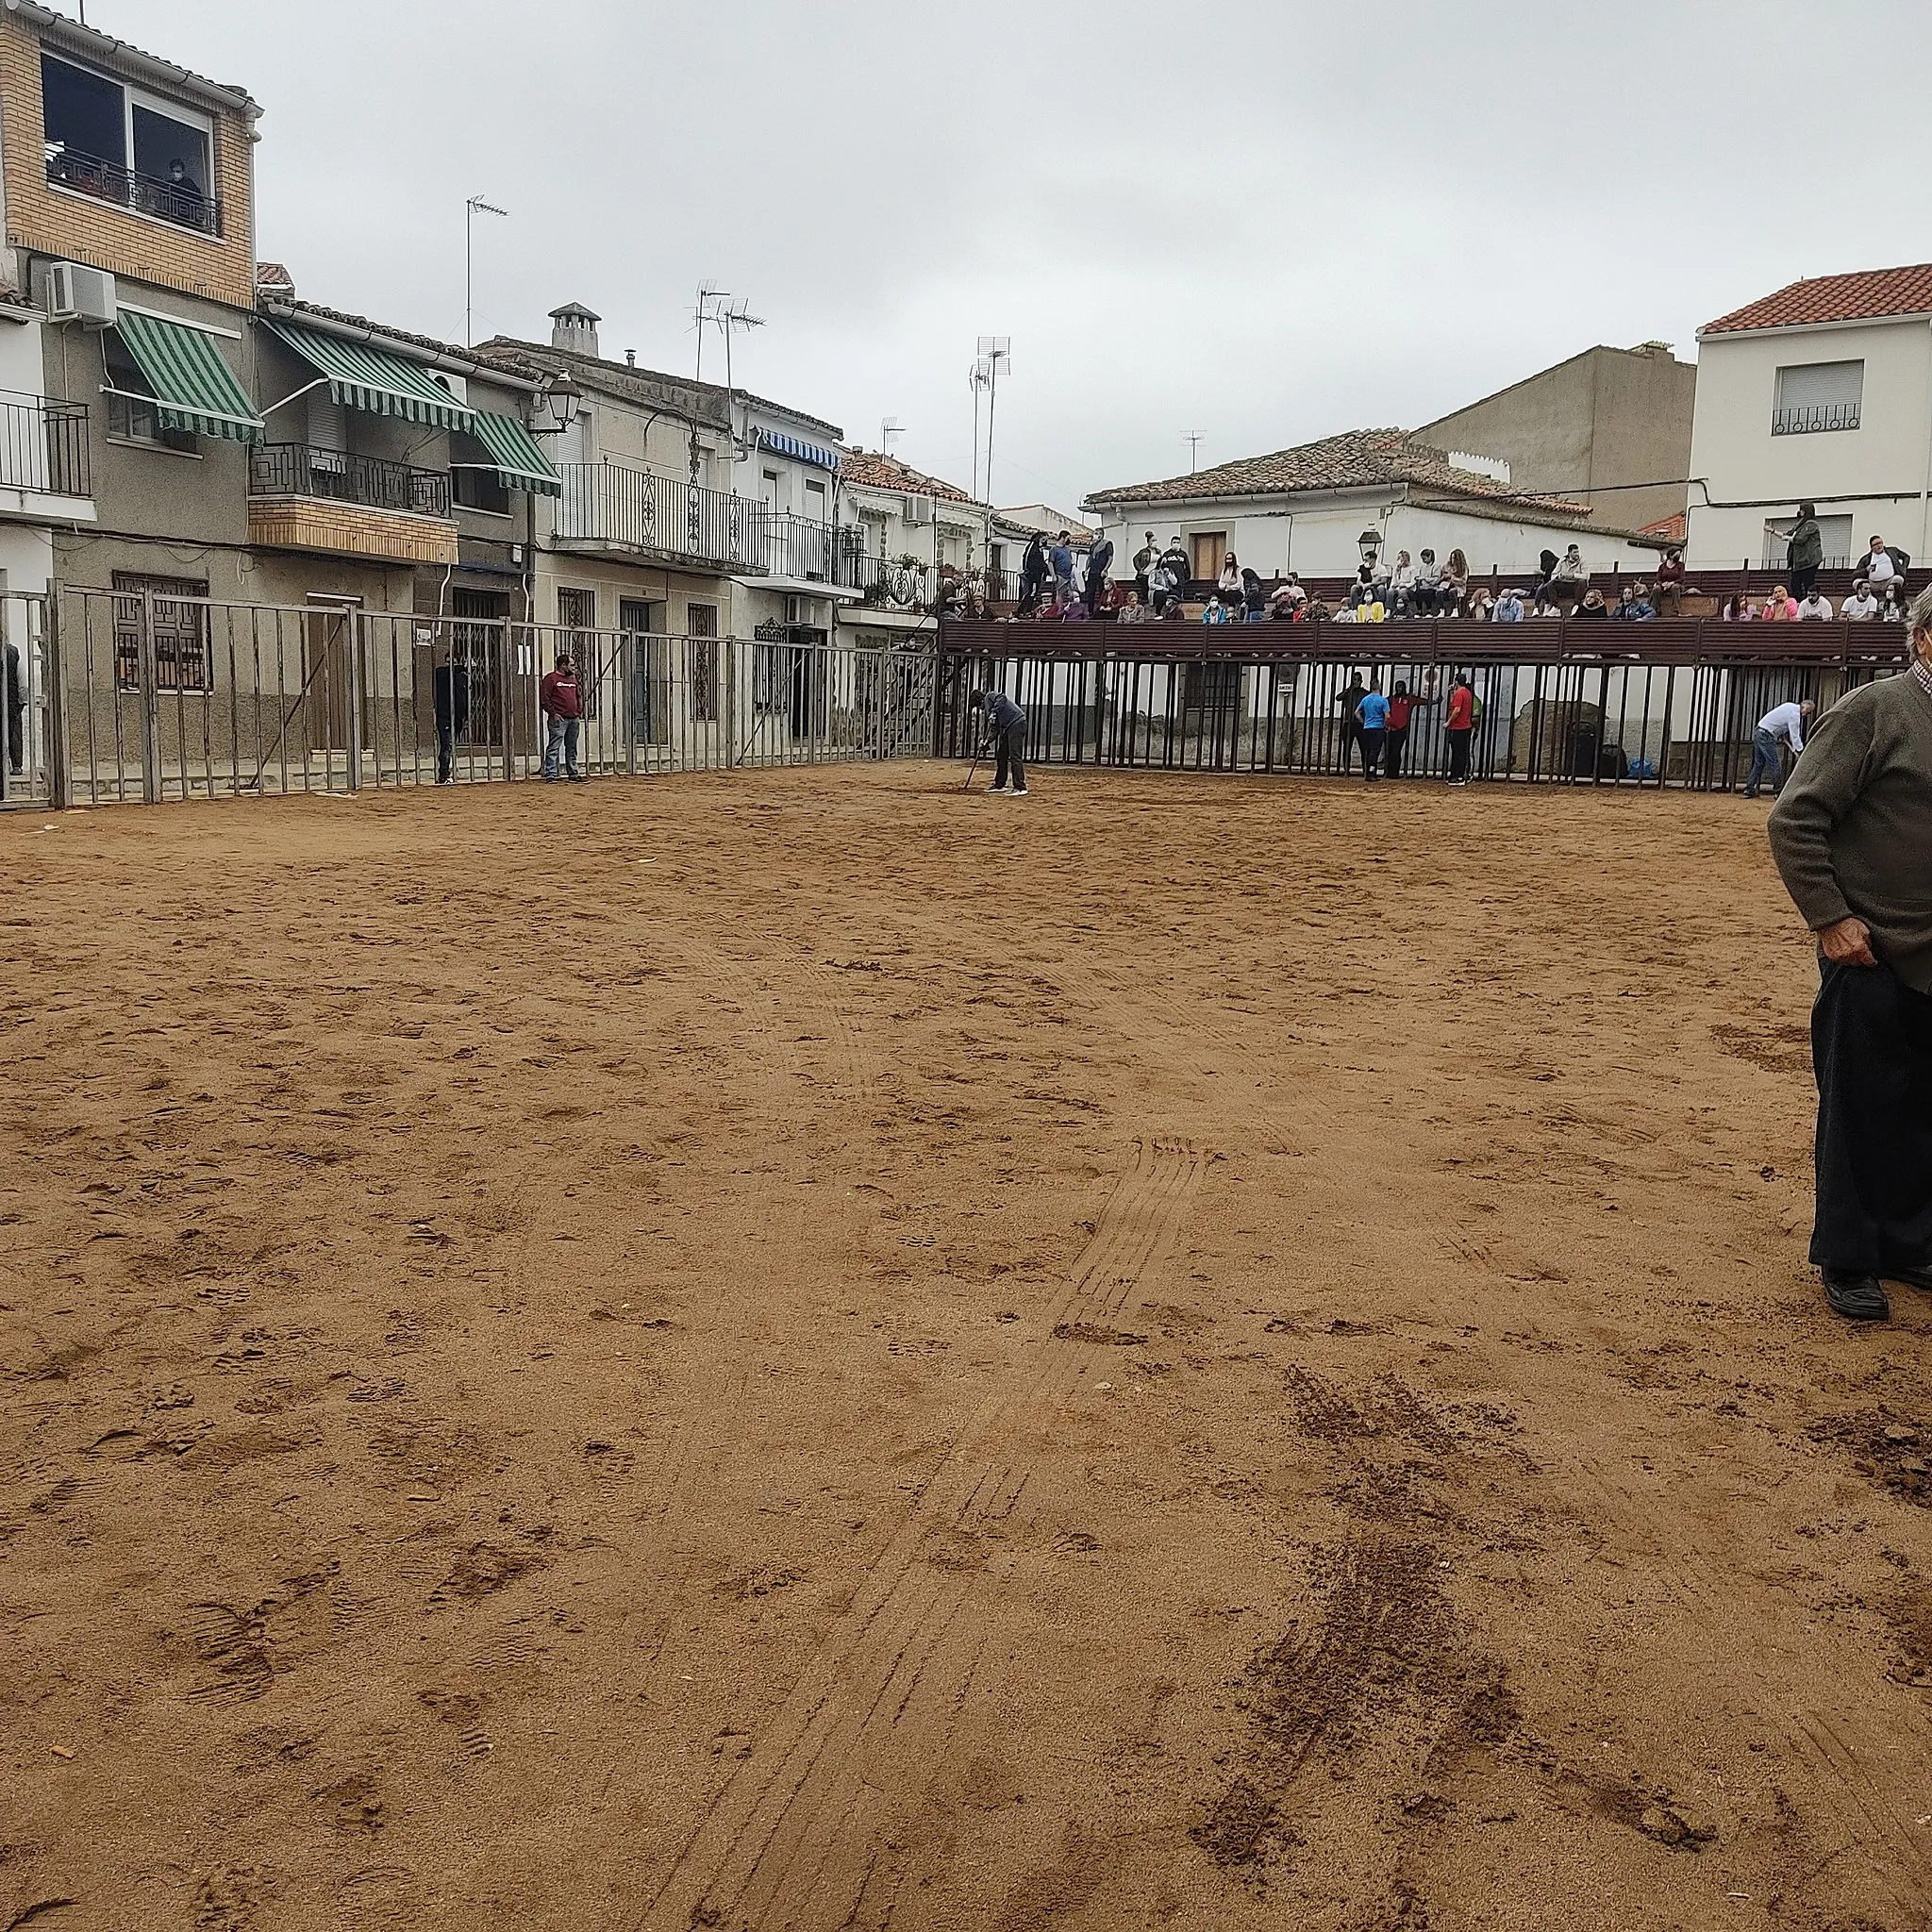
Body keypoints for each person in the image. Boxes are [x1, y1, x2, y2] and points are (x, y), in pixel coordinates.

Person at [1766, 588, 1932, 1320]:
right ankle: (1850, 1257)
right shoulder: (1875, 710)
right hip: (1872, 949)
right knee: (1860, 1106)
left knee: (1923, 1107)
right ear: (1925, 640)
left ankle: (1909, 1242)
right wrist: (1832, 920)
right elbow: (1795, 818)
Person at [1742, 697, 1813, 799]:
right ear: (1806, 708)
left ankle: (1749, 789)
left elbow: (1779, 720)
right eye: (1808, 712)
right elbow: (1795, 736)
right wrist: (1800, 750)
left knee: (1759, 763)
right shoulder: (1795, 716)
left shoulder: (1789, 705)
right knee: (1774, 763)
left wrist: (1780, 733)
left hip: (1759, 731)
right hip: (1767, 736)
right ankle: (1779, 792)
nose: (1806, 715)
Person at [969, 687, 1029, 796]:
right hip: (1006, 728)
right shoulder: (990, 712)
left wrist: (994, 712)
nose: (981, 709)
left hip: (1016, 724)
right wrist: (986, 741)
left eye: (980, 706)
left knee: (1015, 756)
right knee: (1001, 755)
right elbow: (994, 729)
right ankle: (1000, 784)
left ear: (981, 701)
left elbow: (1002, 698)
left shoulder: (990, 696)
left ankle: (1020, 787)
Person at [539, 649, 584, 782]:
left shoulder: (573, 679)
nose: (574, 668)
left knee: (572, 747)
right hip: (559, 718)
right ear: (563, 665)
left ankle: (573, 773)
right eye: (571, 665)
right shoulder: (551, 679)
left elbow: (578, 695)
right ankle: (550, 774)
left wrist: (579, 711)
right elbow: (544, 698)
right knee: (554, 746)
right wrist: (553, 713)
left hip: (573, 718)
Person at [432, 643, 470, 785]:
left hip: (458, 719)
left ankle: (448, 771)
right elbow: (447, 672)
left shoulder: (461, 678)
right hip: (445, 717)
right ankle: (443, 775)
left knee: (452, 746)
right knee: (446, 746)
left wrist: (465, 716)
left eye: (453, 663)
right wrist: (464, 666)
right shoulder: (441, 674)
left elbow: (464, 697)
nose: (449, 666)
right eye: (448, 662)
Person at [1384, 677, 1431, 778]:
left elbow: (1421, 701)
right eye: (1397, 686)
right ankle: (1389, 772)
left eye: (1401, 686)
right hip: (1391, 729)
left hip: (1402, 730)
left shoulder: (1409, 699)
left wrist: (1434, 701)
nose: (1399, 689)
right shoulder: (1391, 699)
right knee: (1390, 751)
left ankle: (1394, 773)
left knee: (1396, 751)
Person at [1786, 503, 1824, 601]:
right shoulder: (1800, 524)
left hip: (1809, 561)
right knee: (1795, 585)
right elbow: (1791, 533)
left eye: (1801, 510)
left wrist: (1789, 537)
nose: (1799, 512)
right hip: (1799, 562)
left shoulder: (1811, 524)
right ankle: (1797, 604)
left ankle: (1809, 603)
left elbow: (1800, 539)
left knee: (1807, 583)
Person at [1444, 673, 1476, 785]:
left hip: (1458, 727)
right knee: (1462, 752)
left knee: (1457, 753)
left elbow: (1456, 710)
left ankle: (1457, 776)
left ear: (1456, 682)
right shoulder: (1467, 693)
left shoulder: (1460, 694)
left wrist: (1448, 722)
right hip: (1465, 727)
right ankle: (1461, 775)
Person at [1355, 679, 1391, 782]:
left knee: (1368, 751)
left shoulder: (1365, 699)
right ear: (1379, 686)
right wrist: (1385, 726)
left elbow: (1357, 712)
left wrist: (1364, 722)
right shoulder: (1383, 700)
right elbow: (1387, 716)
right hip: (1378, 728)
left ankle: (1368, 772)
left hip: (1367, 728)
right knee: (1375, 752)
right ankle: (1371, 773)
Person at [1337, 672, 1368, 773]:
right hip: (1348, 722)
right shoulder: (1348, 692)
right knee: (1346, 748)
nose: (1356, 682)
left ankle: (1365, 769)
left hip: (1360, 723)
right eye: (1354, 679)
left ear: (1361, 681)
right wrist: (1349, 689)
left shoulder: (1364, 693)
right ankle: (1346, 769)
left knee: (1364, 748)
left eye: (1358, 680)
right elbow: (1338, 697)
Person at [1017, 532, 1048, 617]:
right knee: (1029, 592)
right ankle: (1022, 610)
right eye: (1043, 539)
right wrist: (1026, 569)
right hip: (1029, 574)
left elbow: (1041, 562)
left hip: (1036, 574)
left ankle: (1027, 610)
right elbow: (1026, 557)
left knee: (1033, 593)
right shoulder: (1032, 545)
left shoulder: (1040, 549)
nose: (1045, 542)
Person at [1085, 531, 1114, 615]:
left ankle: (1102, 610)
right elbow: (1090, 558)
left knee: (1103, 591)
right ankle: (1090, 611)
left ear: (1101, 535)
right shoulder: (1093, 545)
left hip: (1101, 572)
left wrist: (1105, 569)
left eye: (1097, 533)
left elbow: (1110, 557)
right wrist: (1086, 569)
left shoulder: (1107, 544)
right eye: (1095, 533)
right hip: (1092, 571)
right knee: (1091, 592)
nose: (1096, 535)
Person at [1653, 547, 1688, 616]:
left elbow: (1681, 578)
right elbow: (1658, 578)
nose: (1678, 557)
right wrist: (1662, 584)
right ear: (1671, 555)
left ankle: (1675, 610)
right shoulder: (1662, 566)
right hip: (1664, 585)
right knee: (1656, 589)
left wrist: (1671, 583)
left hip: (1676, 584)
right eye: (1676, 555)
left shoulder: (1680, 565)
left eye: (1679, 556)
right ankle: (1657, 610)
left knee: (1675, 587)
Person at [1438, 548, 1471, 618]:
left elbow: (1463, 581)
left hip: (1458, 587)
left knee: (1452, 592)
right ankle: (1442, 610)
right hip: (1447, 585)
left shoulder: (1463, 567)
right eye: (1451, 558)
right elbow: (1442, 575)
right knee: (1439, 592)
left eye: (1454, 558)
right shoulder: (1447, 566)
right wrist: (1444, 577)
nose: (1452, 560)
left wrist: (1452, 578)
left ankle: (1455, 609)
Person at [1132, 530, 1160, 608]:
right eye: (1153, 541)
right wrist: (1139, 569)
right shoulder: (1144, 551)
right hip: (1145, 573)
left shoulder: (1158, 552)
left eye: (1155, 540)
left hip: (1154, 574)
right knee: (1145, 589)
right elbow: (1135, 559)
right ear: (1148, 542)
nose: (1155, 542)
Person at [1049, 532, 1075, 605]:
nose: (1068, 540)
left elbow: (1070, 559)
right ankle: (1059, 610)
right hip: (1060, 575)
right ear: (1063, 538)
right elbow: (1050, 563)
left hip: (1069, 575)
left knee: (1071, 594)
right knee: (1060, 594)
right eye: (1067, 538)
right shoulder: (1054, 549)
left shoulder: (1068, 549)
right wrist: (1053, 575)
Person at [1413, 549, 1441, 616]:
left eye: (1424, 558)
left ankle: (1429, 611)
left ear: (1430, 557)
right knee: (1417, 593)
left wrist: (1425, 579)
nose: (1423, 561)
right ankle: (1419, 611)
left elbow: (1436, 579)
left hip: (1432, 587)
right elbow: (1420, 576)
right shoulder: (1422, 567)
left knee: (1428, 593)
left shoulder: (1436, 566)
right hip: (1423, 587)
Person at [1390, 550, 1417, 618]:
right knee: (1390, 591)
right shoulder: (1398, 569)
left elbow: (1413, 582)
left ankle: (1408, 611)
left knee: (1402, 592)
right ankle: (1391, 611)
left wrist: (1404, 585)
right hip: (1399, 586)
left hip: (1409, 588)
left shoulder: (1412, 568)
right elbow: (1394, 580)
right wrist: (1396, 573)